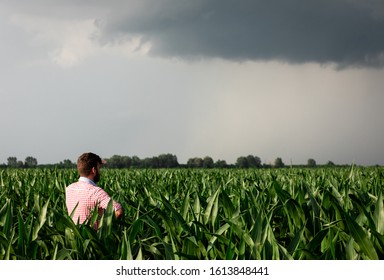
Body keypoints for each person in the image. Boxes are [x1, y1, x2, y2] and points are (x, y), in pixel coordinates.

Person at [66, 152, 123, 228]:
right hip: (93, 238)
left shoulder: (69, 189)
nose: (100, 171)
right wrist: (104, 228)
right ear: (93, 170)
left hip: (73, 237)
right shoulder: (96, 192)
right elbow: (118, 211)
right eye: (99, 168)